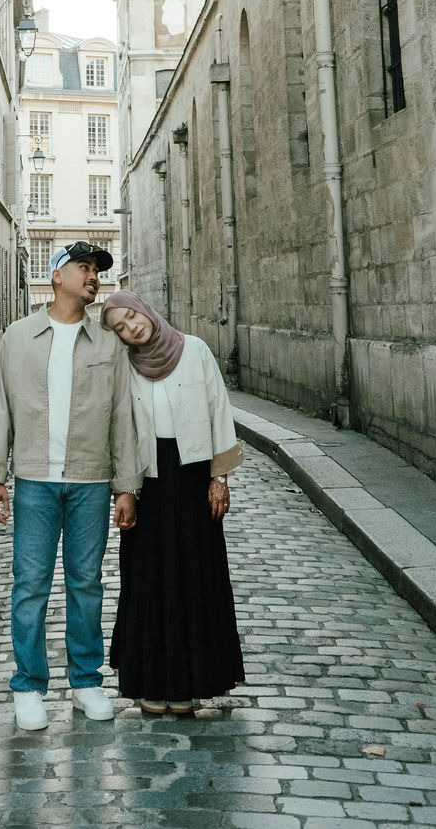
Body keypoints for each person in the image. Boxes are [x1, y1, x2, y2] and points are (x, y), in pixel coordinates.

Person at [0, 242, 141, 732]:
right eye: (83, 268)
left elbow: (123, 418)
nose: (93, 277)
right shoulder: (18, 337)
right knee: (30, 585)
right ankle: (28, 685)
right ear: (56, 276)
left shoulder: (109, 343)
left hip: (90, 481)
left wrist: (126, 485)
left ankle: (86, 681)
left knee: (85, 584)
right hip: (34, 481)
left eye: (96, 270)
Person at [100, 290, 245, 717]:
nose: (131, 328)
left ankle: (189, 686)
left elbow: (220, 410)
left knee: (195, 575)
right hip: (147, 478)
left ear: (144, 308)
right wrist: (123, 486)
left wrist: (219, 478)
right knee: (147, 578)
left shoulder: (194, 349)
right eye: (121, 329)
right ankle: (151, 682)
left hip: (194, 473)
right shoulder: (124, 366)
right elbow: (118, 425)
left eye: (131, 317)